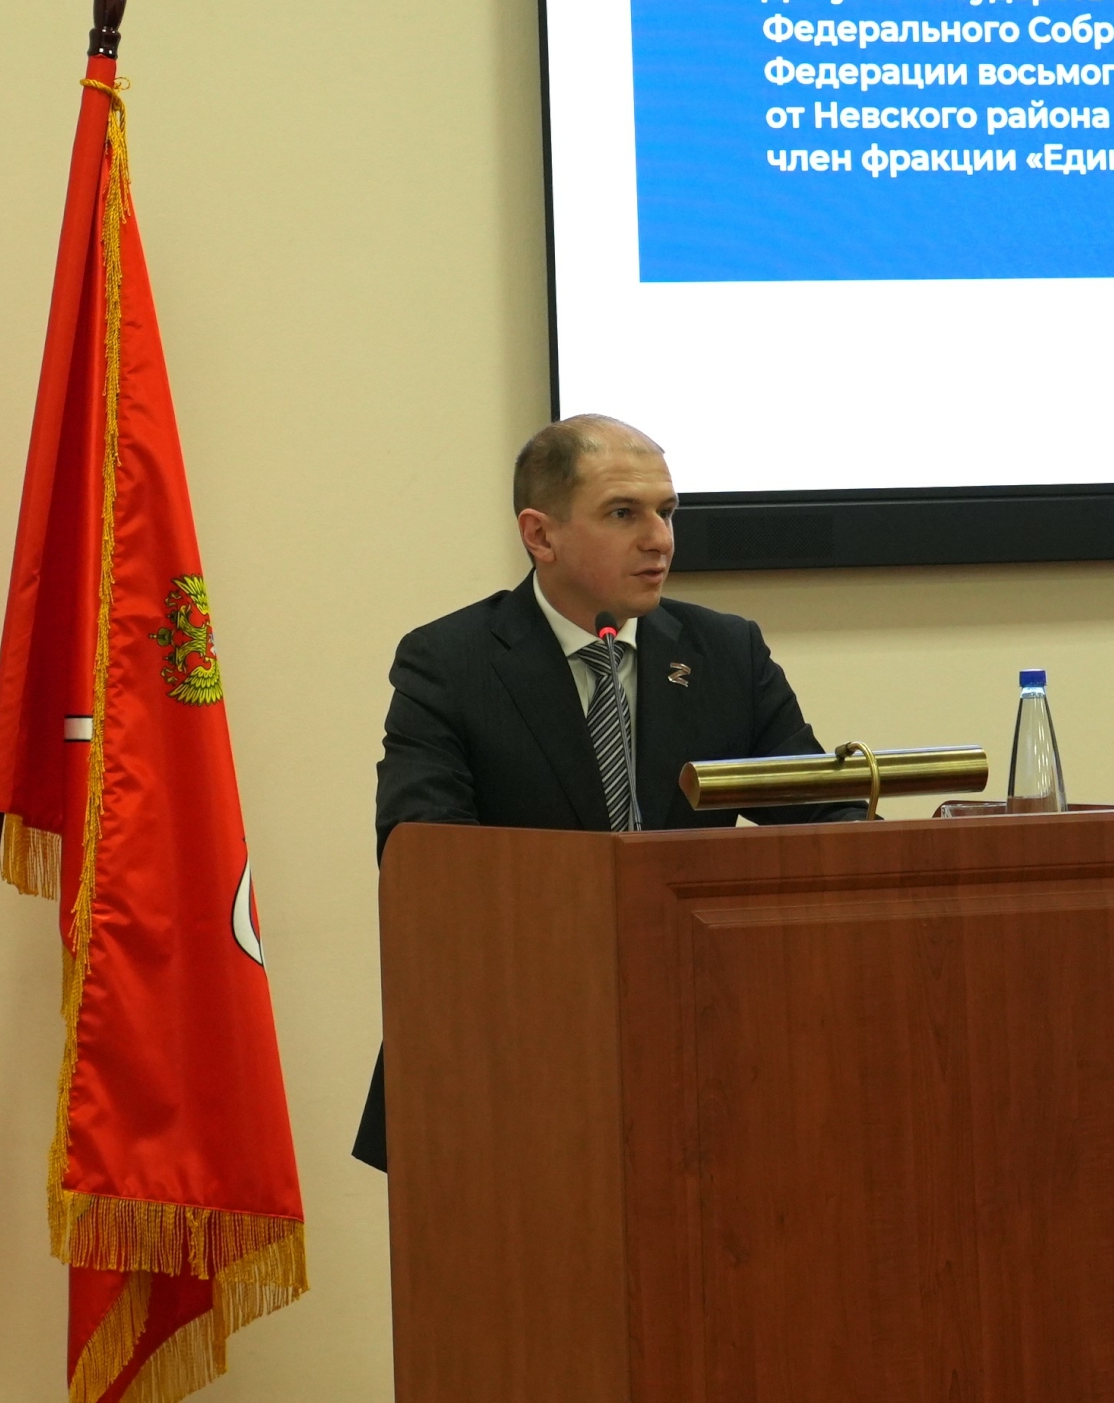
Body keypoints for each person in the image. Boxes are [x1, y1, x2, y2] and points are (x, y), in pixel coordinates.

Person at [353, 415, 863, 1170]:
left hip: (708, 1047)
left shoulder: (726, 653)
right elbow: (422, 855)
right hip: (506, 1057)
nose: (660, 539)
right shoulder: (450, 662)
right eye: (624, 513)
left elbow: (825, 817)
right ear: (541, 535)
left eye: (667, 511)